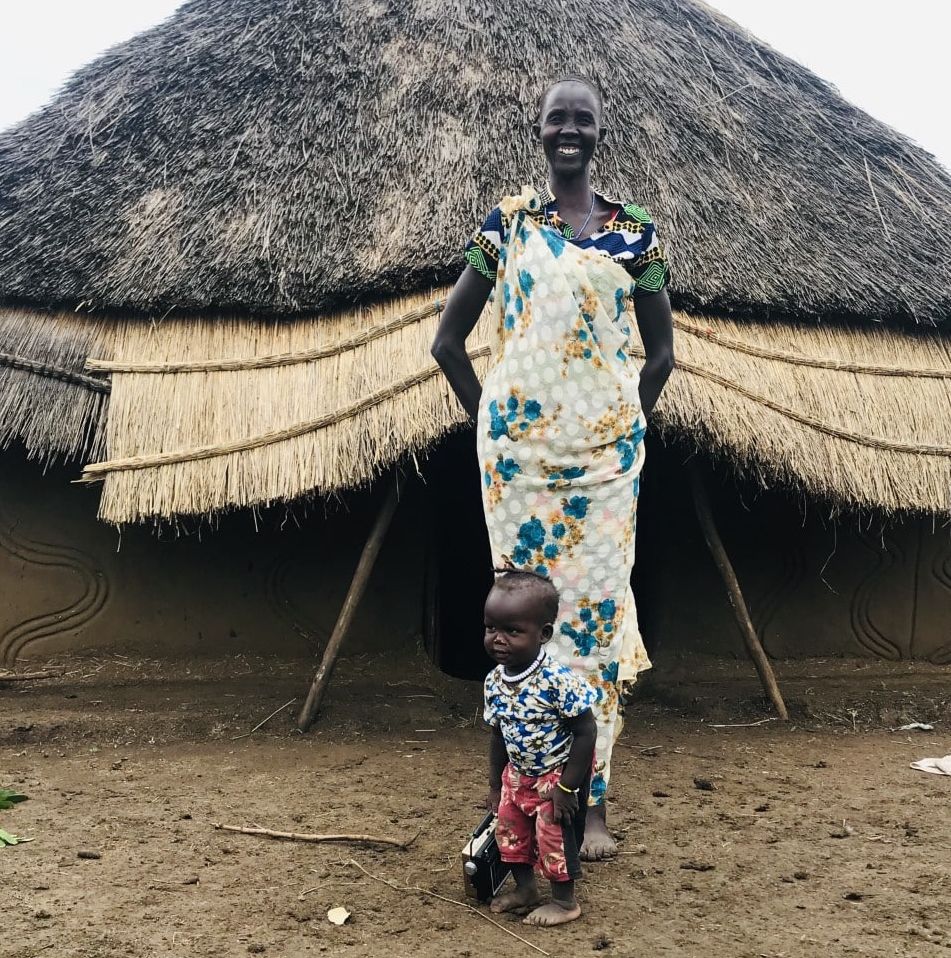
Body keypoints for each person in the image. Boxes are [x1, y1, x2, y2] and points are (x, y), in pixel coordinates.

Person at [432, 75, 675, 859]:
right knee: (521, 621)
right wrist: (492, 422)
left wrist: (621, 420)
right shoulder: (505, 225)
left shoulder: (637, 233)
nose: (568, 129)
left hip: (605, 465)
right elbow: (446, 342)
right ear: (537, 130)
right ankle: (510, 798)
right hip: (519, 467)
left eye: (583, 119)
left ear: (600, 131)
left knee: (595, 630)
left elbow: (661, 353)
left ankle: (590, 803)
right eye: (555, 119)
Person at [483, 569, 597, 927]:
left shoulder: (557, 681)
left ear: (543, 634)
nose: (498, 639)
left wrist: (567, 787)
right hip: (517, 775)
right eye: (491, 628)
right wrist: (494, 784)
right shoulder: (494, 681)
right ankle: (526, 889)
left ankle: (565, 903)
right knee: (510, 832)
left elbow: (586, 732)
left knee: (553, 838)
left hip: (556, 778)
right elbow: (498, 733)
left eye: (512, 631)